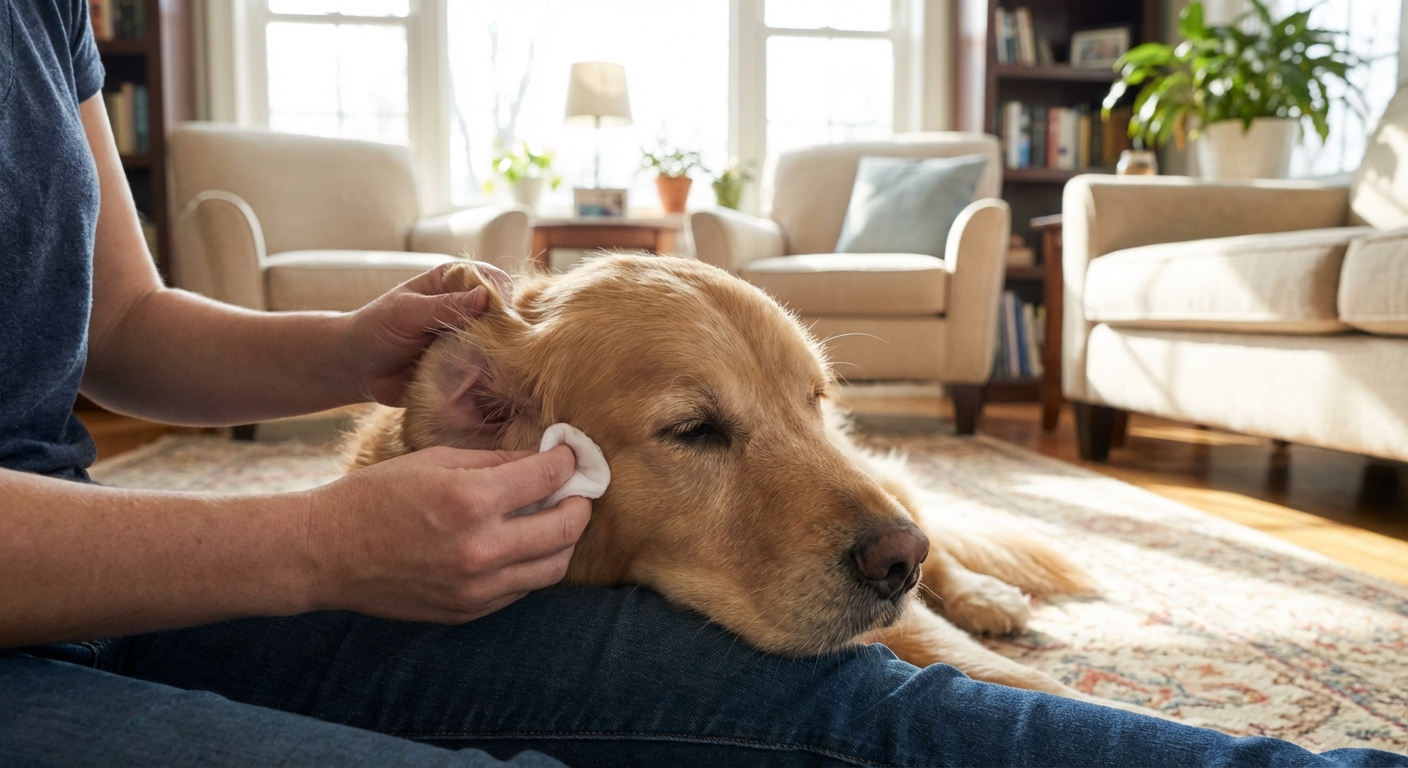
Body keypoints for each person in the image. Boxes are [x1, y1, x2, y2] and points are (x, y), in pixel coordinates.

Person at [2, 2, 1404, 765]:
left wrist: (340, 347)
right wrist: (308, 544)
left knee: (865, 718)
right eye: (695, 432)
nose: (884, 538)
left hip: (138, 590)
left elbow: (111, 322)